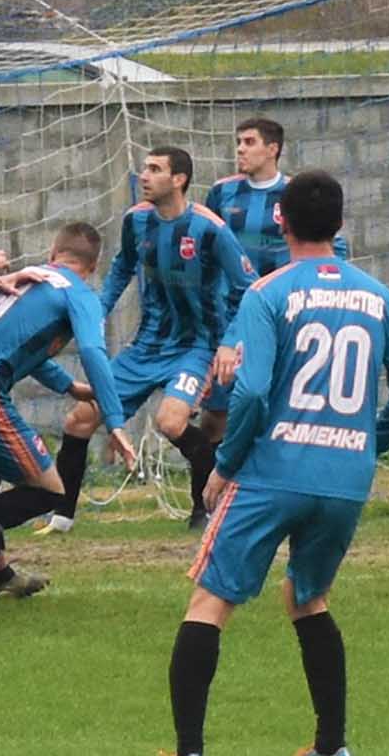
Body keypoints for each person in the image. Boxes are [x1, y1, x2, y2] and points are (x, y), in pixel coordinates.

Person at [164, 171, 389, 756]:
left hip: (273, 472)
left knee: (209, 603)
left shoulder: (269, 293)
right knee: (307, 598)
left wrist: (226, 464)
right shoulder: (380, 297)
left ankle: (190, 751)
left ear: (280, 222)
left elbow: (253, 391)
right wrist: (368, 443)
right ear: (340, 223)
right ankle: (331, 746)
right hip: (344, 479)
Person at [49, 147, 256, 534]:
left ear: (179, 180)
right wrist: (95, 312)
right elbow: (121, 269)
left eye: (155, 169)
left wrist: (229, 342)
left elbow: (249, 287)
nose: (144, 175)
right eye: (144, 168)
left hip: (197, 347)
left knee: (171, 421)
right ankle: (61, 517)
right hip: (147, 346)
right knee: (80, 418)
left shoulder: (210, 229)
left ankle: (207, 508)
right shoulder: (136, 220)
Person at [0, 221, 133, 597]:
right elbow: (93, 351)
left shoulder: (30, 278)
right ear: (93, 266)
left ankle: (0, 573)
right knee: (49, 491)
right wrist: (115, 421)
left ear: (53, 253)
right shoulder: (80, 293)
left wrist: (70, 387)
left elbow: (22, 346)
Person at [194, 118, 351, 520]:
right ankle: (207, 505)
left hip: (285, 315)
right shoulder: (222, 193)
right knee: (215, 417)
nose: (240, 149)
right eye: (238, 141)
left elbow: (334, 247)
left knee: (271, 403)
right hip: (230, 317)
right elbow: (208, 248)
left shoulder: (298, 195)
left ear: (273, 149)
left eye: (249, 142)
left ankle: (269, 492)